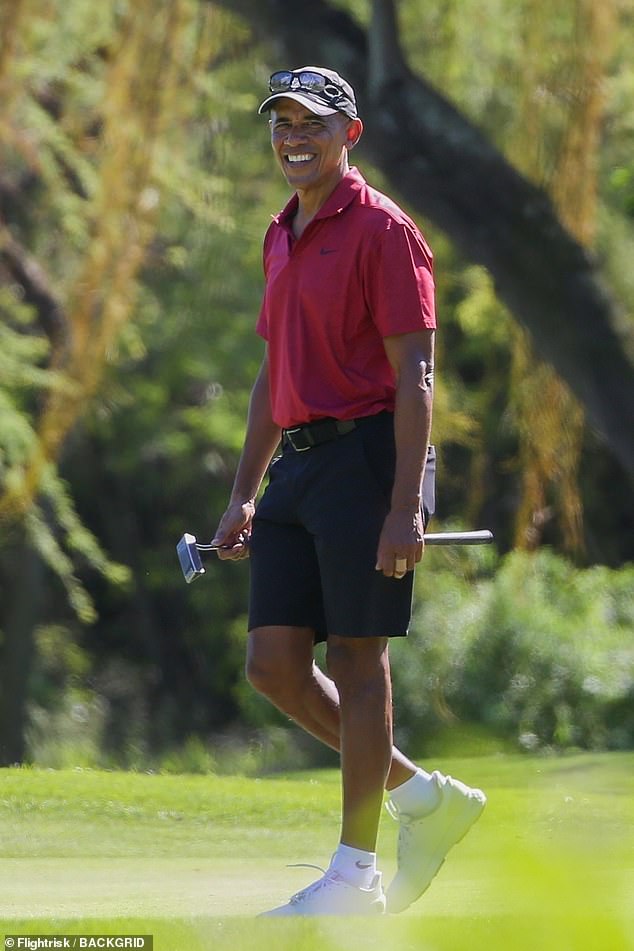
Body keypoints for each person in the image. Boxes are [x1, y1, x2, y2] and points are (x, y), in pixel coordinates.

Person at [211, 66, 486, 917]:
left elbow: (418, 373)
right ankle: (423, 799)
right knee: (273, 666)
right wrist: (241, 491)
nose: (295, 137)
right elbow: (271, 372)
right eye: (282, 123)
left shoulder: (383, 229)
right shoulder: (280, 230)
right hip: (297, 464)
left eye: (313, 123)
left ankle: (353, 875)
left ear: (349, 135)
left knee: (358, 661)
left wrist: (406, 503)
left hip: (368, 458)